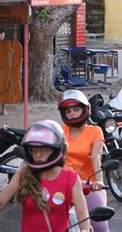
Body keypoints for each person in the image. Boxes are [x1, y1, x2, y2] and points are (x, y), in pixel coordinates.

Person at [0, 120, 90, 232]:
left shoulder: (70, 178)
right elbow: (2, 201)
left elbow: (82, 214)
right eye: (34, 149)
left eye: (44, 149)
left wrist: (85, 230)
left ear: (57, 150)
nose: (38, 154)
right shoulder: (22, 174)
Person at [58, 90, 109, 232]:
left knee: (99, 225)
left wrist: (99, 182)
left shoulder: (95, 130)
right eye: (68, 111)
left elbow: (96, 156)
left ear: (85, 110)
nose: (72, 113)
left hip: (88, 184)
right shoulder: (60, 131)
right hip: (63, 184)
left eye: (76, 109)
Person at [0, 27, 6, 115]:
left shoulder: (6, 44)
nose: (1, 35)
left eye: (2, 33)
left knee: (5, 89)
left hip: (5, 70)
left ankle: (3, 109)